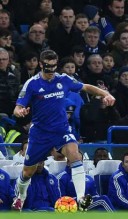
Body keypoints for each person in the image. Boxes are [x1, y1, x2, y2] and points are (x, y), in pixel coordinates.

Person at [11, 49, 115, 212]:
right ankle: (20, 197)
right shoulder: (31, 84)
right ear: (40, 64)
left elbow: (85, 87)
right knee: (27, 172)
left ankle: (81, 198)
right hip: (40, 133)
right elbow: (17, 107)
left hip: (61, 129)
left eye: (54, 66)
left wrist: (105, 94)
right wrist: (20, 111)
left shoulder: (64, 79)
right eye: (47, 67)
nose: (51, 71)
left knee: (74, 154)